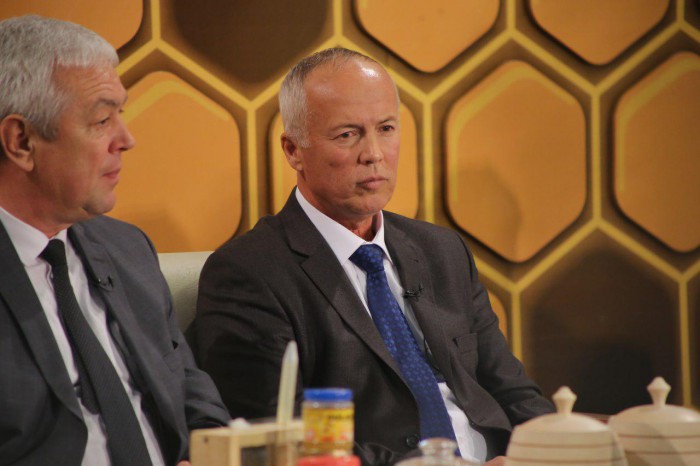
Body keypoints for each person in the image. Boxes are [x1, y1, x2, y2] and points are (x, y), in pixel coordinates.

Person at [195, 48, 553, 465]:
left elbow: (511, 390)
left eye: (385, 129)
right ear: (293, 150)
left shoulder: (442, 251)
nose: (374, 154)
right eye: (348, 134)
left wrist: (557, 448)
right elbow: (285, 440)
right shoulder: (249, 273)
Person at [0, 15, 229, 466]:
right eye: (102, 120)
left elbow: (190, 390)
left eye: (120, 114)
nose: (127, 139)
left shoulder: (127, 250)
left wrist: (208, 453)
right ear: (21, 141)